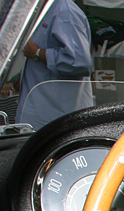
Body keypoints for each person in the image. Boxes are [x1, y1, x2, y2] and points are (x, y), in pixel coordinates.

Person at [4, 0, 94, 130]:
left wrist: (38, 54)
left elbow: (80, 62)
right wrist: (23, 78)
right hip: (38, 115)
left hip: (57, 119)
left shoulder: (65, 11)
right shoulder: (42, 10)